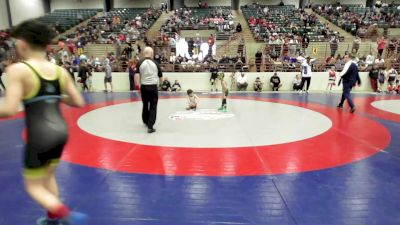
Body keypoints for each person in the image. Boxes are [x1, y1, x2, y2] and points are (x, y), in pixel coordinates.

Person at [0, 20, 87, 225]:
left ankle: (66, 215)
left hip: (39, 135)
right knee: (48, 177)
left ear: (22, 44)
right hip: (61, 132)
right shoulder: (59, 71)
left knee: (34, 186)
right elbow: (78, 101)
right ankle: (52, 218)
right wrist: (54, 96)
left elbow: (10, 109)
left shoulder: (18, 70)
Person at [135, 47, 163, 133]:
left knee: (145, 104)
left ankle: (145, 121)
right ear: (152, 53)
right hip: (153, 87)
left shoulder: (139, 62)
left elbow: (136, 76)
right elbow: (161, 77)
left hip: (144, 87)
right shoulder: (156, 63)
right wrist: (160, 86)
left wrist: (138, 87)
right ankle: (150, 126)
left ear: (144, 53)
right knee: (153, 106)